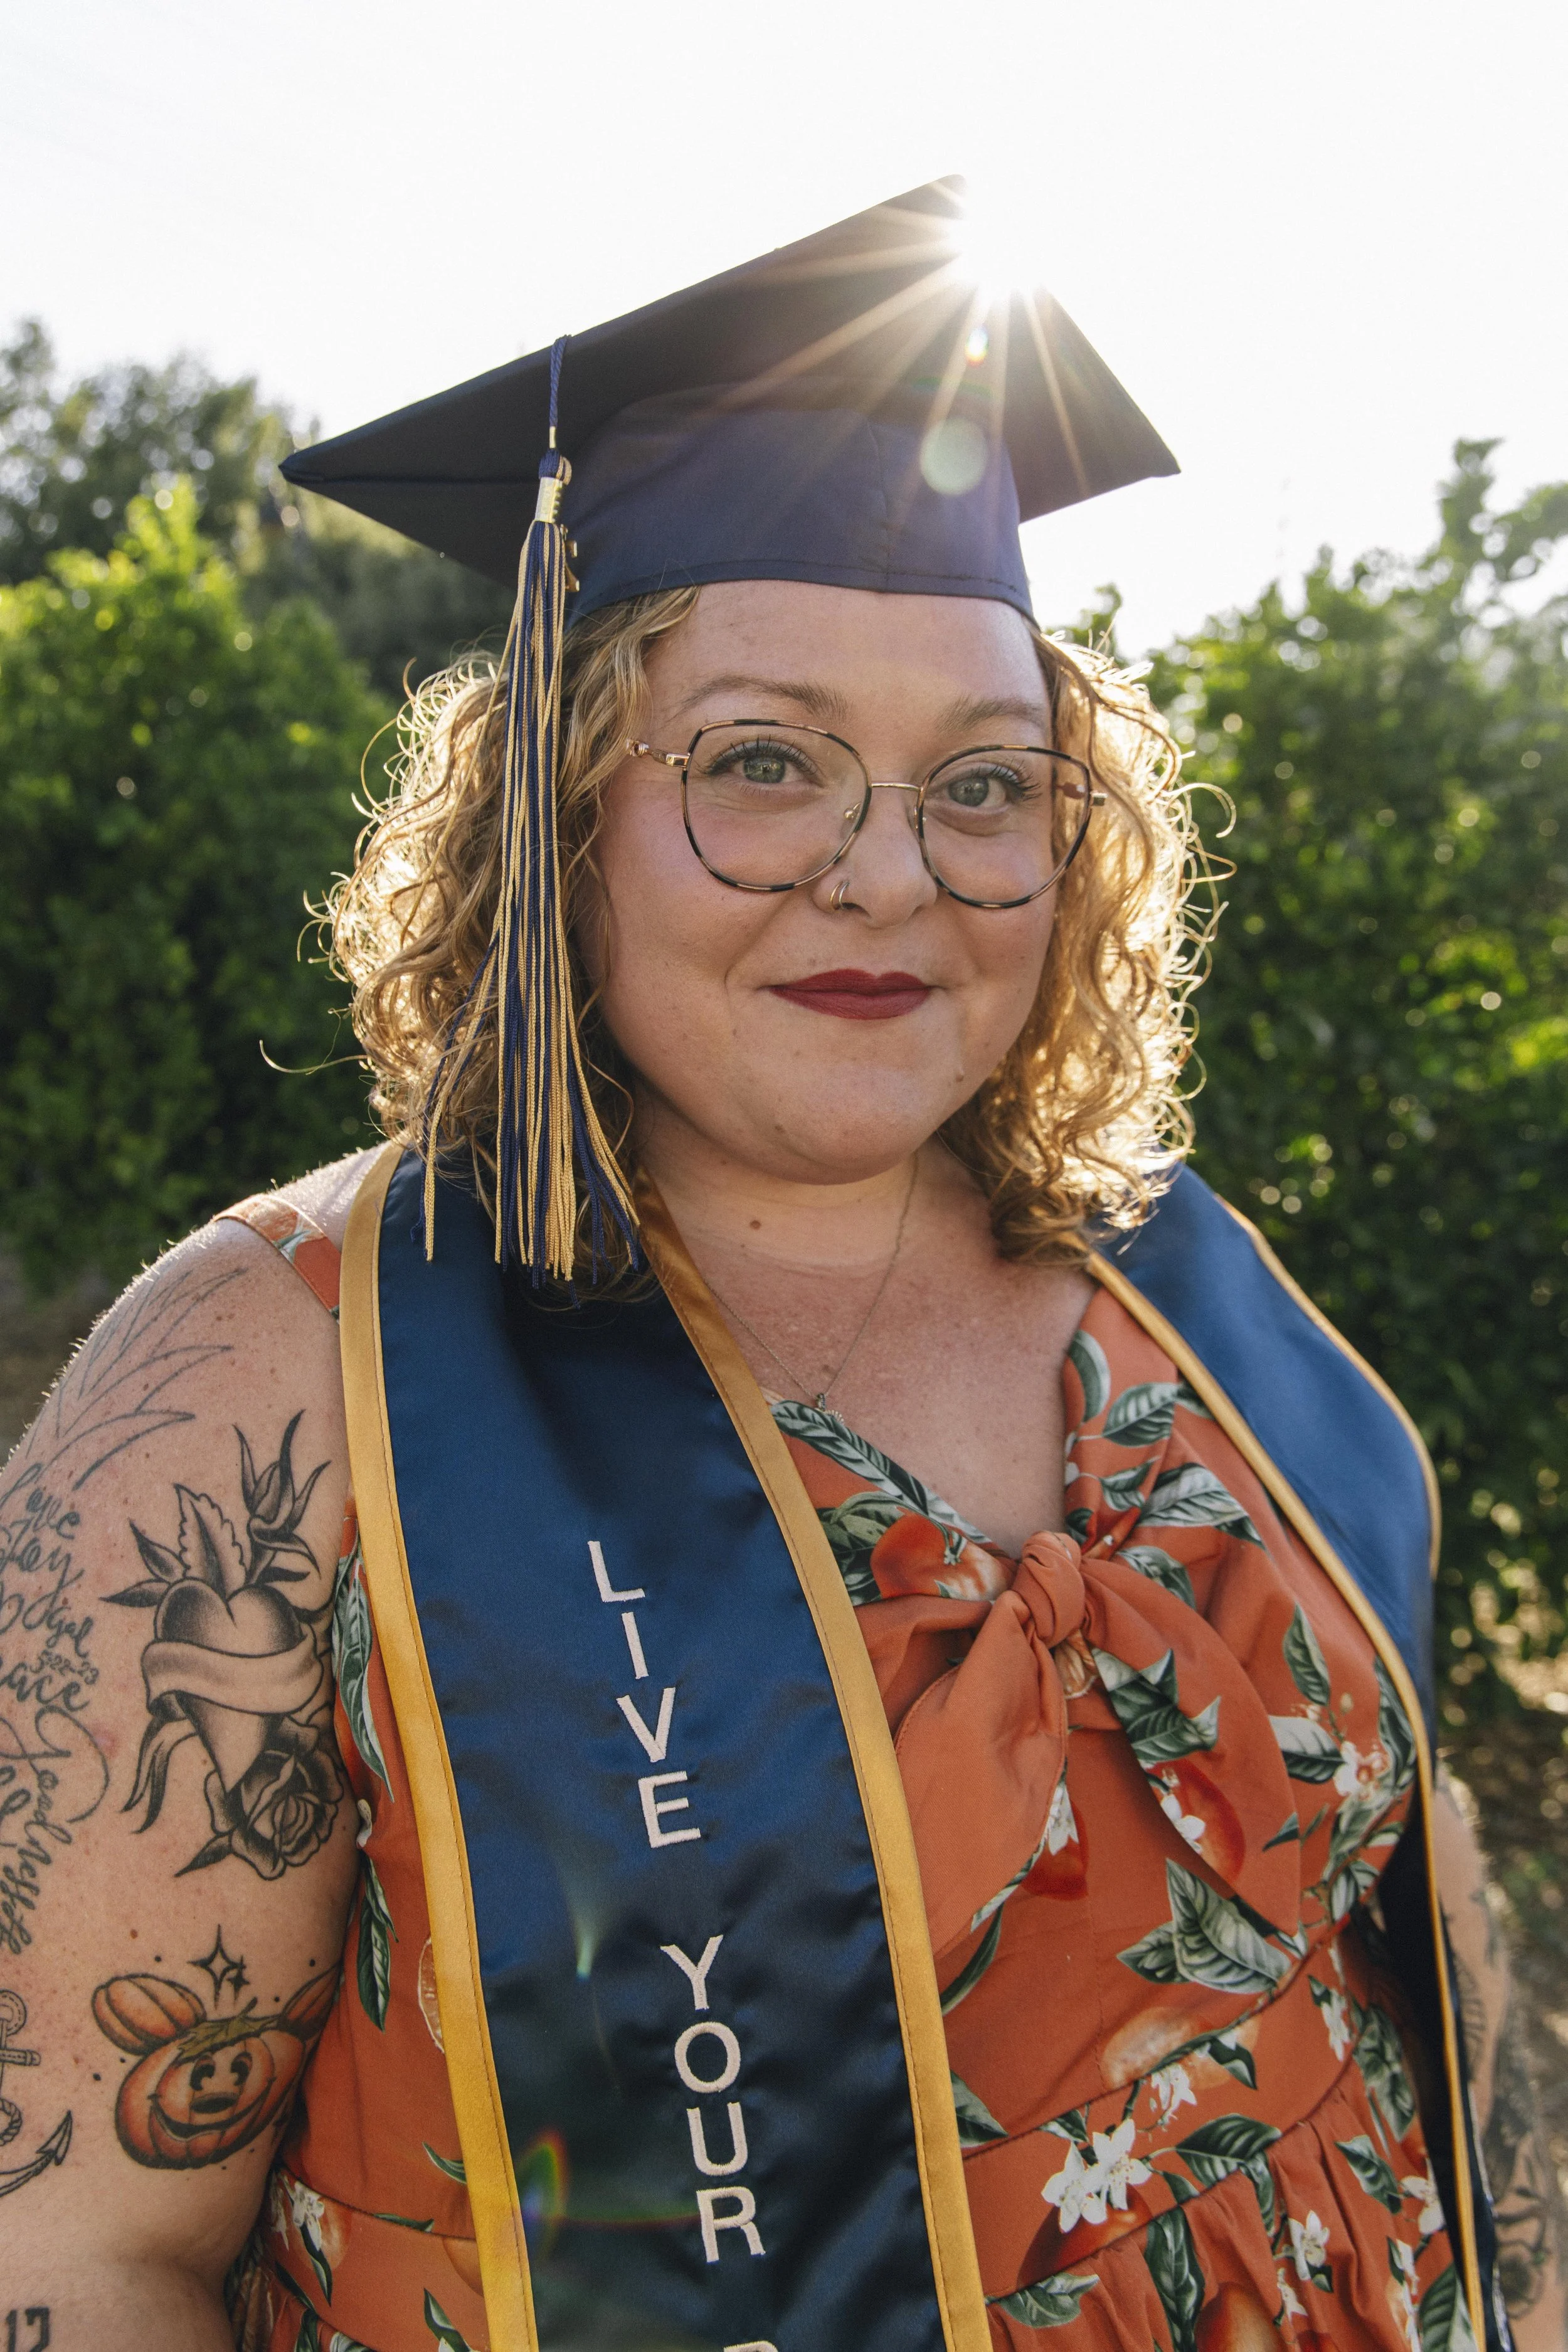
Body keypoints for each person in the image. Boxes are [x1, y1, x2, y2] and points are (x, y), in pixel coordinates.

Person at [1, 181, 1559, 2352]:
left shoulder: (1164, 1276)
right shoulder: (279, 1385)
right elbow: (70, 2251)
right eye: (761, 763)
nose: (888, 874)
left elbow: (1399, 1886)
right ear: (558, 807)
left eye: (984, 785)